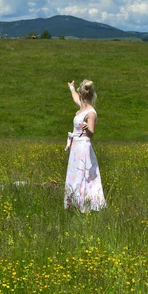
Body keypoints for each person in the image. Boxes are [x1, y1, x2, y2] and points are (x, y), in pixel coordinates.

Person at [64, 79, 106, 212]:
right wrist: (71, 88)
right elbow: (75, 98)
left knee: (82, 175)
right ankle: (72, 203)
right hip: (76, 148)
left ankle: (83, 203)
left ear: (83, 96)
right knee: (74, 174)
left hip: (83, 148)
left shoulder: (91, 113)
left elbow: (91, 133)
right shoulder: (82, 106)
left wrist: (86, 128)